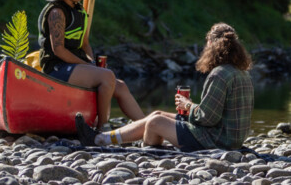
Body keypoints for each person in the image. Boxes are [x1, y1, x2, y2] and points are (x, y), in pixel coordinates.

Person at [76, 22, 254, 151]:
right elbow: (217, 114)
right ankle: (102, 138)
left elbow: (207, 119)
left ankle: (143, 146)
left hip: (216, 140)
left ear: (212, 47)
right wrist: (192, 107)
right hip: (231, 139)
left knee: (155, 122)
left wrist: (188, 106)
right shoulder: (241, 73)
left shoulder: (219, 74)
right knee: (157, 114)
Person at [38, 0, 145, 131]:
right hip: (57, 68)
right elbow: (58, 50)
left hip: (76, 66)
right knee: (107, 76)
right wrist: (87, 65)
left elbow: (85, 43)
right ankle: (103, 128)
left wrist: (91, 62)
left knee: (120, 85)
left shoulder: (80, 11)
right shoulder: (56, 12)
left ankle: (146, 127)